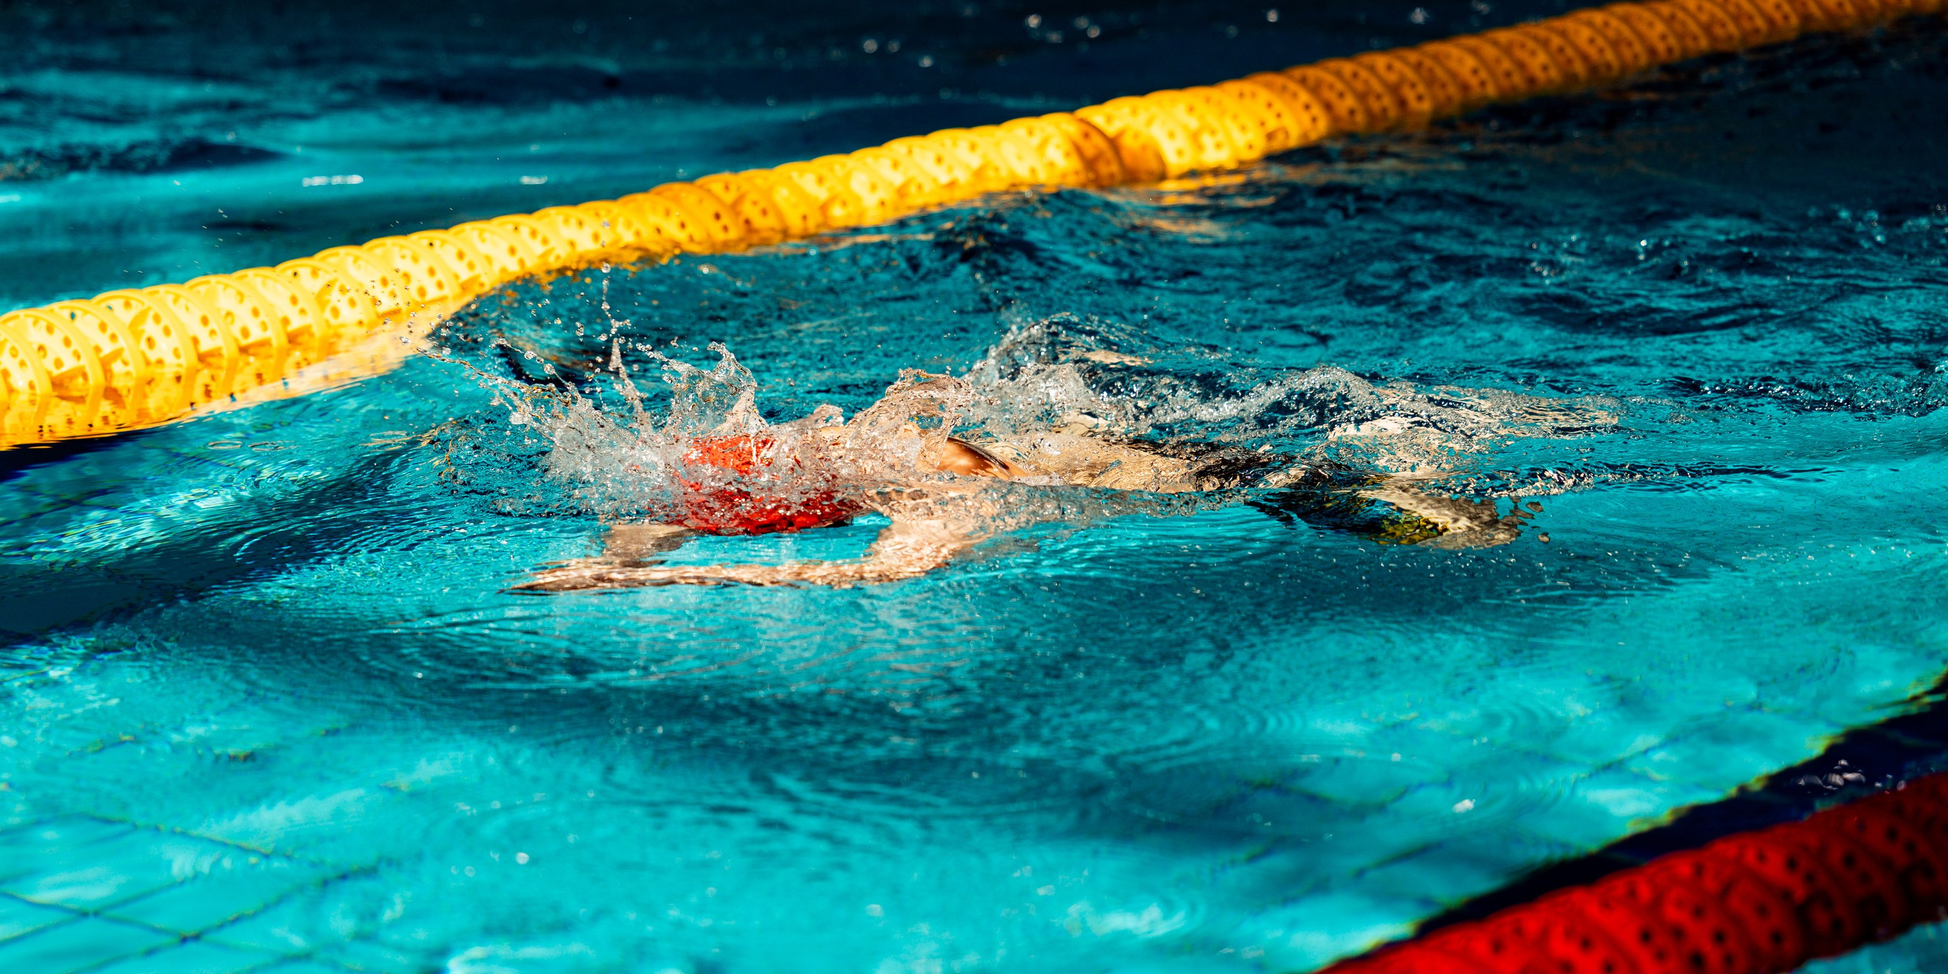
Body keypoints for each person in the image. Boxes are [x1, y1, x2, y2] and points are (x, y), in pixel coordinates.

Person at [512, 366, 1544, 592]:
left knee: (1305, 482)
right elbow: (677, 510)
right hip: (1135, 441)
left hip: (1194, 471)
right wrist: (630, 555)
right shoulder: (879, 434)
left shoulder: (930, 491)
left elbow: (861, 576)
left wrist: (654, 576)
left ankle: (1417, 487)